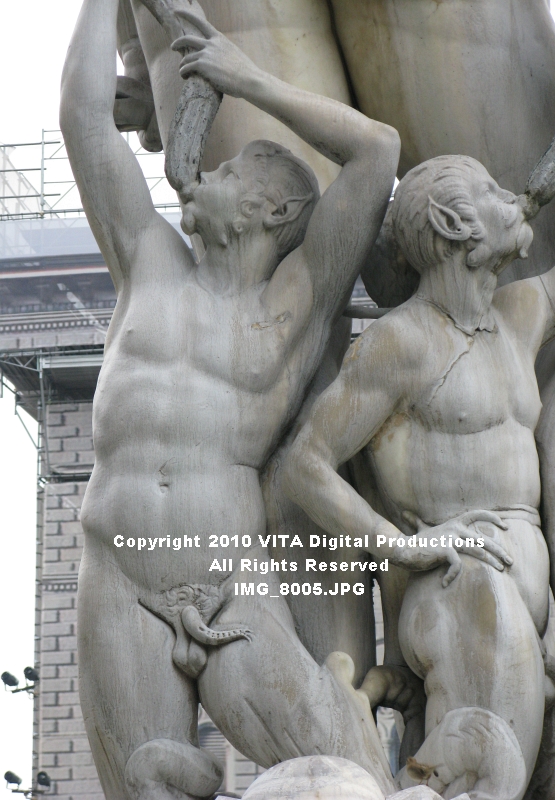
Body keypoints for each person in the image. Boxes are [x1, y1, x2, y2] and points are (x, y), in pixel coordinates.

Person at [60, 2, 405, 797]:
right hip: (118, 576)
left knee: (343, 776)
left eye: (229, 171)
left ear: (272, 211)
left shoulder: (297, 301)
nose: (202, 173)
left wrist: (247, 79)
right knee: (141, 783)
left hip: (228, 583)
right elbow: (83, 119)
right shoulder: (147, 258)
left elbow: (377, 152)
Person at [282, 154, 555, 798]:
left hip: (525, 607)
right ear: (455, 224)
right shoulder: (399, 343)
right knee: (481, 781)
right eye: (491, 190)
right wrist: (397, 544)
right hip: (461, 592)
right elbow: (305, 463)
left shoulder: (521, 315)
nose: (512, 196)